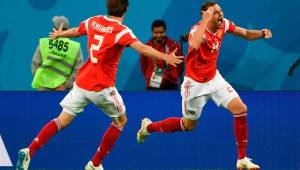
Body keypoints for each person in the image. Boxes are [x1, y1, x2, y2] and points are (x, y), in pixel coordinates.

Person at [16, 0, 183, 169]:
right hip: (102, 87)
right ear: (126, 8)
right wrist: (166, 57)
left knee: (62, 120)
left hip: (82, 83)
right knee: (121, 121)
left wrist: (60, 34)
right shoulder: (121, 31)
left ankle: (29, 151)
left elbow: (76, 31)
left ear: (107, 6)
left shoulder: (94, 20)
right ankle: (95, 163)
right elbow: (141, 48)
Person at [137, 1, 272, 170]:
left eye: (220, 10)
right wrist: (204, 21)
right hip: (194, 85)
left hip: (214, 79)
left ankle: (242, 159)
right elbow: (193, 44)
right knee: (188, 126)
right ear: (206, 15)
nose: (220, 14)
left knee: (240, 109)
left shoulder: (224, 24)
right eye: (215, 13)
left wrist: (260, 33)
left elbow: (245, 33)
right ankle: (149, 127)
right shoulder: (197, 30)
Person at [31, 16, 84, 91]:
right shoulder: (75, 47)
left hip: (43, 90)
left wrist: (43, 83)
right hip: (64, 91)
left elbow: (35, 64)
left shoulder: (44, 43)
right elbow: (79, 70)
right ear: (68, 29)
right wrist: (65, 85)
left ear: (54, 29)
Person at [140, 20, 183, 90]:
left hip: (171, 84)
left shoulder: (174, 46)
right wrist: (150, 75)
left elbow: (180, 66)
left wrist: (173, 76)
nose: (158, 35)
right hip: (153, 84)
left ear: (165, 32)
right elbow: (143, 66)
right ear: (152, 32)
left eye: (161, 32)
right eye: (156, 33)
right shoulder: (146, 47)